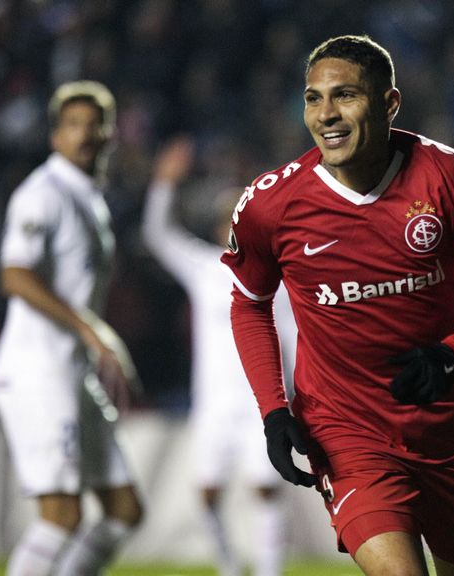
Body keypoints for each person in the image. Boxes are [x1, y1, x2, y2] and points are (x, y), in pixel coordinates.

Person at [221, 35, 454, 576]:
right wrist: (274, 411)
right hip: (348, 432)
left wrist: (451, 355)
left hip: (448, 432)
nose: (327, 115)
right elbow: (250, 303)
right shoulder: (270, 204)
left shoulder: (446, 174)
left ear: (389, 103)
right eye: (313, 98)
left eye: (345, 96)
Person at [0, 80, 144, 576]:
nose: (85, 134)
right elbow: (14, 275)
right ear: (55, 135)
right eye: (73, 125)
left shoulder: (89, 197)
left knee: (124, 509)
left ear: (110, 134)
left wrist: (97, 338)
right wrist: (88, 328)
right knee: (61, 514)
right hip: (38, 370)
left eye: (95, 124)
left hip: (73, 371)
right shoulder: (43, 193)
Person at [142, 136, 294, 576]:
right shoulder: (205, 268)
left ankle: (269, 571)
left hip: (262, 400)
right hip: (213, 403)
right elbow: (158, 235)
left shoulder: (278, 274)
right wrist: (163, 186)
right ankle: (228, 565)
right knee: (207, 492)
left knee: (266, 489)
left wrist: (297, 394)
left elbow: (293, 335)